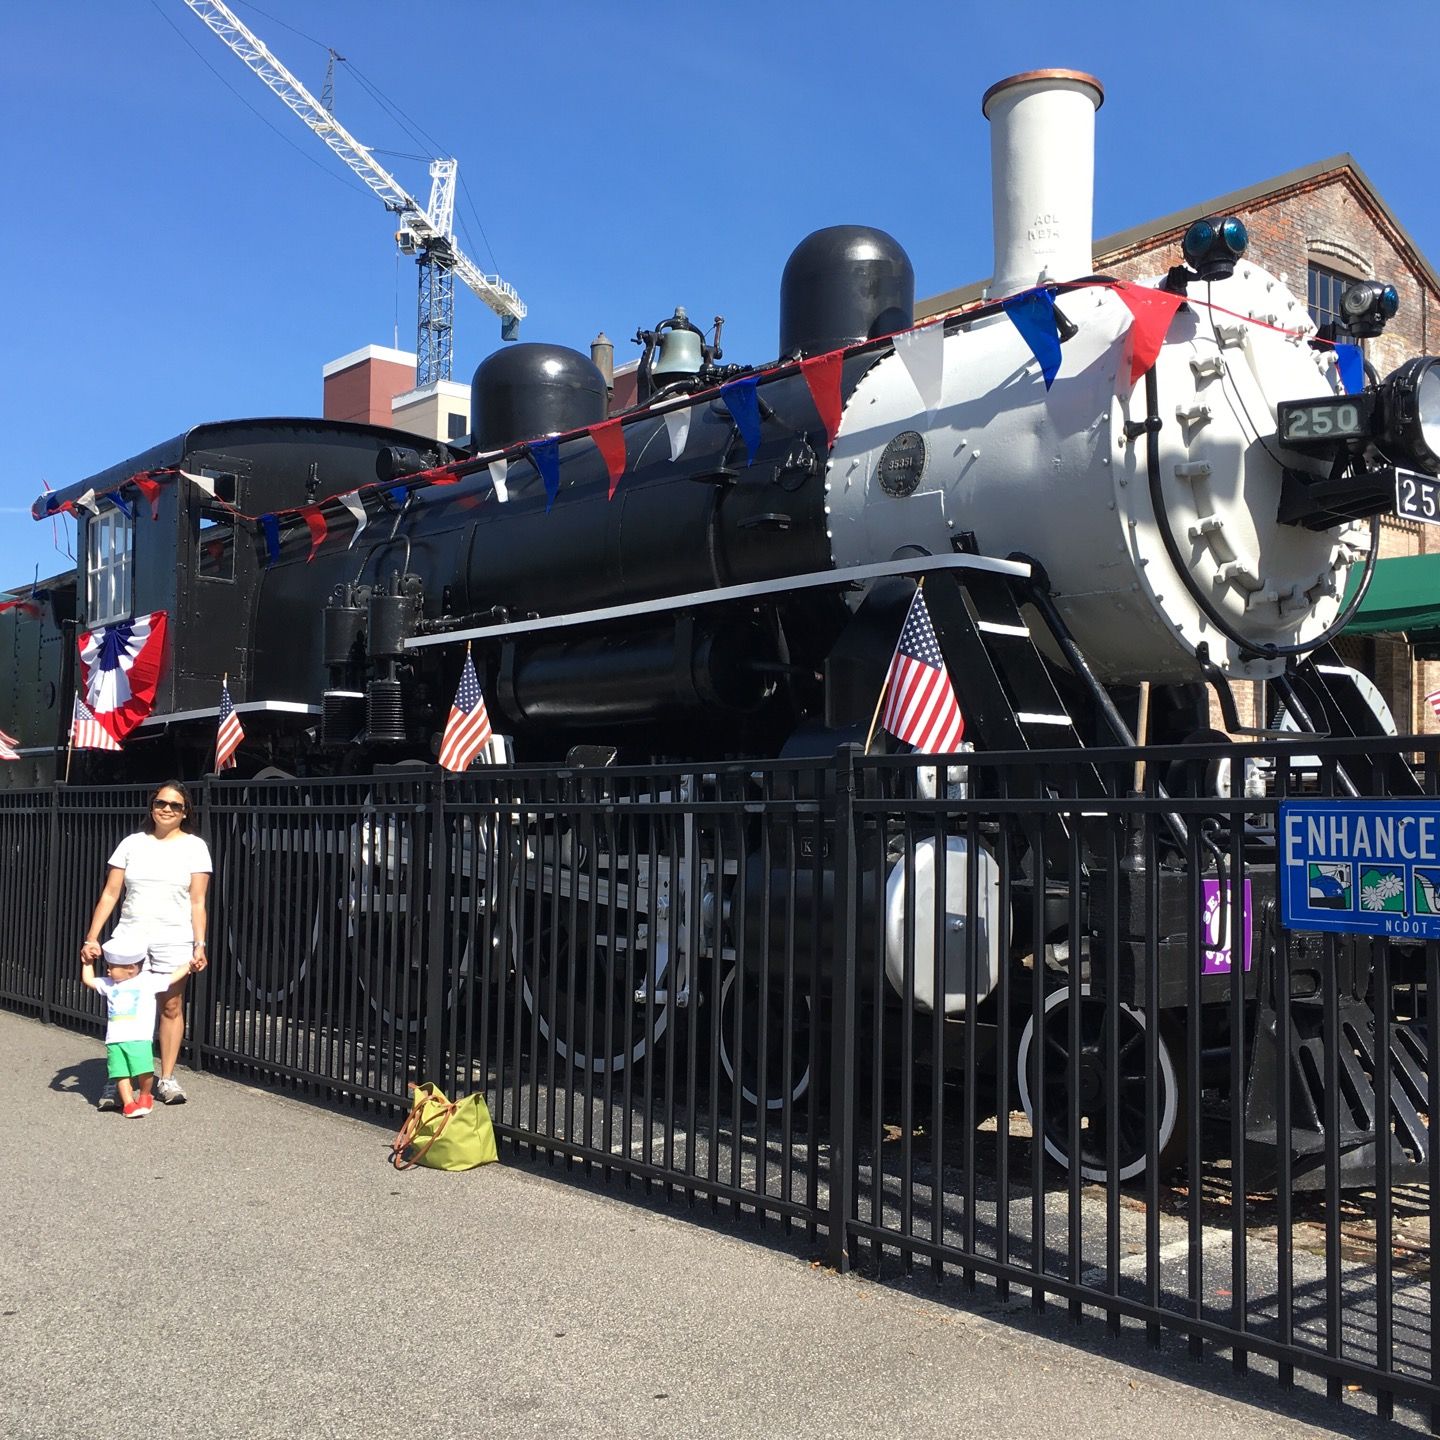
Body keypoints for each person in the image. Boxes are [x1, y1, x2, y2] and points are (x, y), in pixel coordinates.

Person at [80, 780, 212, 1107]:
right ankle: (118, 1079)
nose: (166, 809)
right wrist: (92, 937)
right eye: (161, 803)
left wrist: (199, 944)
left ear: (185, 812)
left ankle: (165, 1078)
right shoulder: (132, 844)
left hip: (173, 935)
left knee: (171, 1006)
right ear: (152, 807)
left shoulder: (195, 847)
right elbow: (111, 893)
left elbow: (198, 901)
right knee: (123, 1011)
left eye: (175, 805)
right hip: (131, 935)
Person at [80, 943, 193, 1117]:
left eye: (112, 967)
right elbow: (89, 980)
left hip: (139, 1037)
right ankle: (128, 1103)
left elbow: (171, 977)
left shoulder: (146, 981)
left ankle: (145, 1095)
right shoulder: (109, 984)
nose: (108, 970)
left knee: (145, 1071)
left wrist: (189, 965)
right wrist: (87, 963)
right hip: (115, 1039)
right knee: (120, 1073)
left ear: (131, 968)